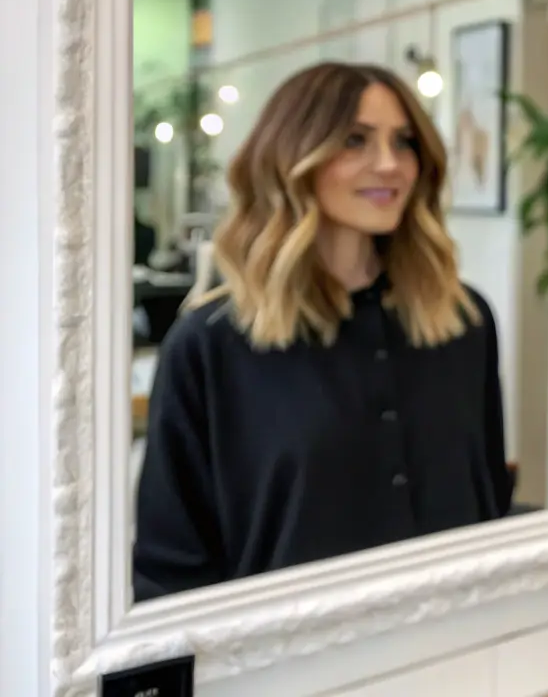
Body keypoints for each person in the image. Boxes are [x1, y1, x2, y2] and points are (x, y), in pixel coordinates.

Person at [133, 62, 512, 602]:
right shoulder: (209, 346)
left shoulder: (464, 322)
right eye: (355, 140)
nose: (389, 164)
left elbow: (490, 511)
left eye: (403, 142)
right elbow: (170, 569)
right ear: (293, 158)